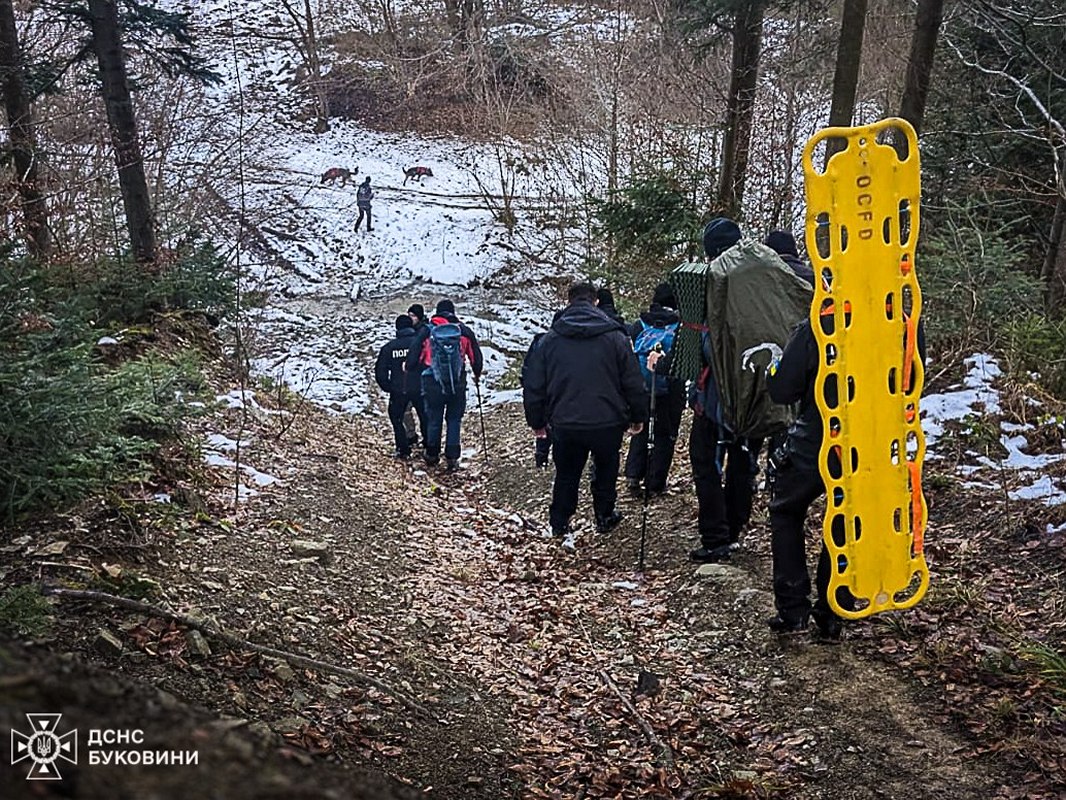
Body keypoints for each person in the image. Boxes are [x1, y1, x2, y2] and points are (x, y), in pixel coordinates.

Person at [765, 293, 926, 637]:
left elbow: (782, 390)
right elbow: (912, 384)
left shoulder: (820, 322)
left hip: (817, 440)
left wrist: (773, 367)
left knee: (785, 511)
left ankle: (793, 609)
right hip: (871, 445)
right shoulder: (904, 324)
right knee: (848, 519)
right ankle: (833, 611)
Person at [523, 282, 648, 538]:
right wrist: (638, 415)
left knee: (567, 474)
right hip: (608, 420)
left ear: (568, 301)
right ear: (595, 302)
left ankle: (559, 521)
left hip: (565, 421)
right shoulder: (616, 338)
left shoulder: (550, 340)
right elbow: (632, 381)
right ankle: (604, 515)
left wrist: (537, 421)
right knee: (606, 469)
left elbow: (535, 384)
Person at [688, 218, 764, 563]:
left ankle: (716, 537)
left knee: (706, 463)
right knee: (743, 462)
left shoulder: (713, 281)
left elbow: (706, 347)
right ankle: (733, 530)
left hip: (718, 397)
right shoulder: (764, 276)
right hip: (758, 392)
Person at [405, 299, 483, 470]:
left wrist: (409, 369)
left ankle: (432, 454)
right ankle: (452, 457)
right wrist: (476, 374)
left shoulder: (427, 331)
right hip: (457, 382)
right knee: (454, 418)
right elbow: (476, 358)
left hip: (432, 381)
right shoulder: (463, 331)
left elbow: (413, 357)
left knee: (434, 417)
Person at [624, 283, 685, 496]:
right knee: (666, 434)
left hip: (642, 387)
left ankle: (633, 475)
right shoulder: (680, 327)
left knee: (640, 430)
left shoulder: (639, 325)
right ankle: (656, 482)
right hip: (671, 388)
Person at [374, 314, 425, 459]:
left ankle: (403, 449)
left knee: (396, 418)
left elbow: (380, 371)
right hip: (420, 388)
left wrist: (389, 387)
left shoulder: (389, 348)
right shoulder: (420, 344)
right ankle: (429, 446)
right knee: (425, 417)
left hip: (398, 390)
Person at [520, 332, 552, 468]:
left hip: (544, 389)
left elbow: (528, 368)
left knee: (543, 422)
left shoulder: (541, 342)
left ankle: (541, 456)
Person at [403, 303, 429, 448]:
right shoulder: (409, 332)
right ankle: (412, 435)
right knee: (408, 409)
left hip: (421, 376)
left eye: (413, 315)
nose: (410, 318)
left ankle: (426, 438)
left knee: (423, 411)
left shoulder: (424, 333)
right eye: (409, 315)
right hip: (412, 378)